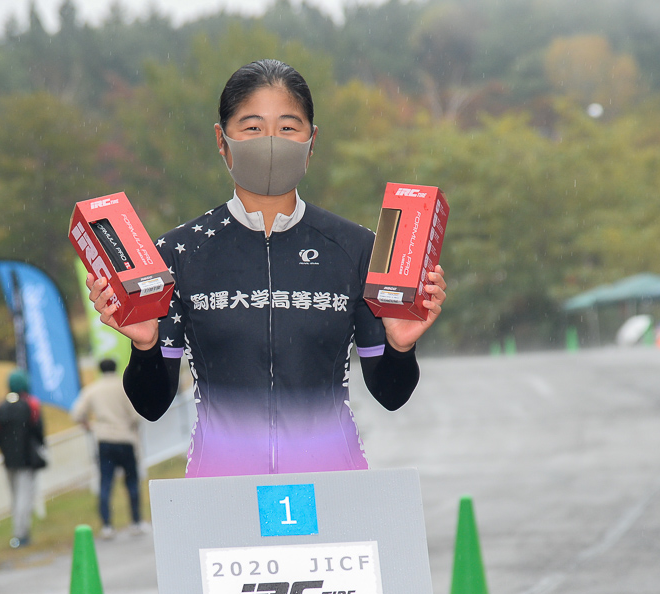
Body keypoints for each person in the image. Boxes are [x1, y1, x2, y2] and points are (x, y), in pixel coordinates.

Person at [84, 59, 446, 477]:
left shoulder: (357, 248)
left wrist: (401, 348)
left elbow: (390, 394)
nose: (272, 141)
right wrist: (145, 347)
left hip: (333, 483)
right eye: (253, 127)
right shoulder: (177, 253)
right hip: (221, 487)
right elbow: (151, 406)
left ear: (312, 141)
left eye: (288, 127)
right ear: (222, 141)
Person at [72, 358, 150, 538]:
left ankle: (107, 525)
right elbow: (136, 415)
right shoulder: (124, 388)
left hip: (104, 439)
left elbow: (77, 413)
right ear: (116, 368)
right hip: (125, 438)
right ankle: (136, 522)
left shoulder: (93, 389)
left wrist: (90, 425)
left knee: (106, 483)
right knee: (131, 482)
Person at [0, 369, 46, 547]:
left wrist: (7, 450)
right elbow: (38, 430)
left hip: (9, 459)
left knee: (15, 497)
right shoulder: (31, 405)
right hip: (27, 458)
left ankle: (18, 531)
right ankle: (21, 534)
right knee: (25, 496)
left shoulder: (0, 407)